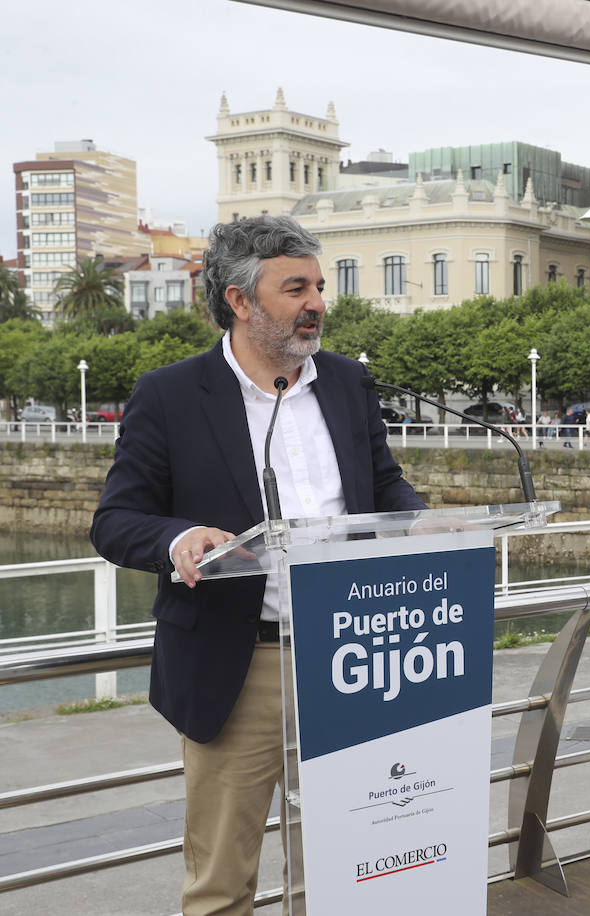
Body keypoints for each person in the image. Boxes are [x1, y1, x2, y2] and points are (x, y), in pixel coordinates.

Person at [89, 216, 426, 914]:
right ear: (241, 301)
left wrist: (423, 521)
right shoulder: (170, 395)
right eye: (295, 287)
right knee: (221, 883)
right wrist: (177, 538)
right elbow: (116, 522)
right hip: (238, 667)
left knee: (351, 862)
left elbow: (382, 483)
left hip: (357, 653)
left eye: (320, 286)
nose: (318, 303)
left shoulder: (346, 383)